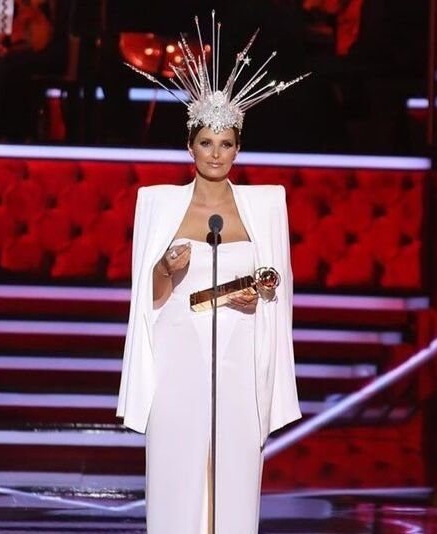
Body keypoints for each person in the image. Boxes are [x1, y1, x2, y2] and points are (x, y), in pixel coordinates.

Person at [117, 14, 308, 534]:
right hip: (179, 353)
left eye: (226, 144)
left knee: (235, 479)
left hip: (240, 354)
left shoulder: (266, 207)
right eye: (206, 143)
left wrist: (259, 295)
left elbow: (277, 284)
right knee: (178, 476)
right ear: (190, 147)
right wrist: (163, 269)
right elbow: (148, 298)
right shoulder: (158, 206)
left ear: (239, 148)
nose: (217, 154)